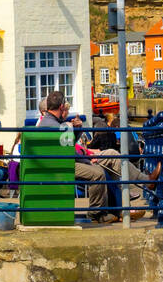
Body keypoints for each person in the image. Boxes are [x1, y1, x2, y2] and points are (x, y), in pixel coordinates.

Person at [37, 91, 114, 223]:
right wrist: (88, 161)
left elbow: (67, 147)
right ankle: (96, 213)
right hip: (62, 166)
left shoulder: (44, 123)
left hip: (51, 164)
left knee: (97, 169)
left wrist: (77, 130)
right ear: (61, 107)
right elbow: (69, 152)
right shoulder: (60, 127)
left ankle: (103, 211)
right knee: (98, 173)